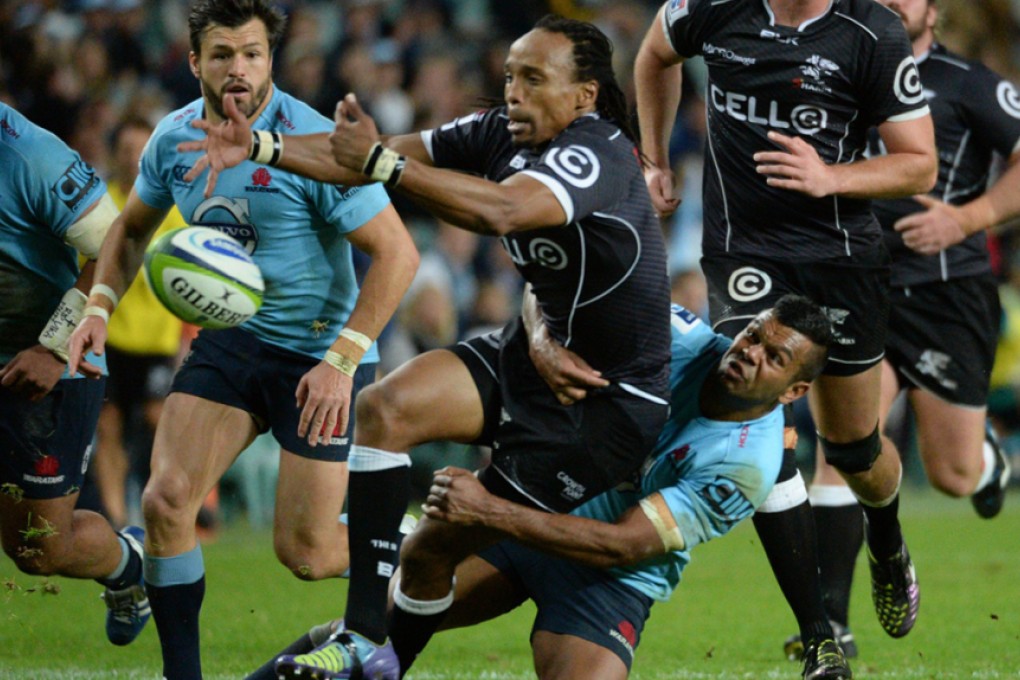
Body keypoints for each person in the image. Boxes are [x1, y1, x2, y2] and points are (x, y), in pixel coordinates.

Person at [183, 14, 673, 680]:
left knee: (434, 547)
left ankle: (387, 655)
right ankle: (360, 636)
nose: (513, 93)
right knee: (385, 407)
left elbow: (502, 210)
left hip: (600, 405)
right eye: (508, 76)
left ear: (585, 94)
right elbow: (356, 158)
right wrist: (263, 146)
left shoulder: (599, 151)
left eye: (533, 79)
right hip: (530, 356)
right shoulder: (497, 131)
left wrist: (383, 165)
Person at [66, 1, 419, 678]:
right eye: (223, 54)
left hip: (322, 352)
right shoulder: (172, 141)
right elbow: (132, 228)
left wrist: (342, 363)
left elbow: (397, 255)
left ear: (271, 61)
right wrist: (99, 307)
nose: (239, 69)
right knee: (166, 500)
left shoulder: (313, 142)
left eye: (253, 53)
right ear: (195, 61)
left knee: (307, 554)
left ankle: (406, 540)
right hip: (233, 343)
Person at [248, 295, 836, 680]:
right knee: (379, 621)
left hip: (609, 576)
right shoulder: (670, 334)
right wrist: (545, 350)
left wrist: (488, 511)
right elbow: (554, 296)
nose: (748, 353)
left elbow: (622, 547)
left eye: (772, 357)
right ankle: (356, 654)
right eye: (754, 335)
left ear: (793, 392)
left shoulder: (748, 465)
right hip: (540, 500)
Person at [634, 0, 937, 676]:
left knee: (857, 450)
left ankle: (885, 536)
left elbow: (919, 165)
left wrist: (832, 177)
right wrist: (655, 157)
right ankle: (821, 635)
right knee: (755, 408)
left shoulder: (872, 32)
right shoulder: (713, 7)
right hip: (745, 254)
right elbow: (654, 54)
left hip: (843, 261)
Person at [787, 0, 1020, 660]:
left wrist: (968, 218)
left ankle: (983, 463)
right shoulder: (841, 71)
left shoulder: (969, 82)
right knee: (846, 443)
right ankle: (830, 625)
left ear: (934, 11)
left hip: (947, 294)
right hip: (857, 287)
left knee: (950, 473)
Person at [0, 102, 150, 647]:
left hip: (46, 372)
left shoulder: (28, 155)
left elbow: (119, 245)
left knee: (40, 549)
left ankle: (128, 566)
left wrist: (53, 346)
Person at [93, 116, 188, 530]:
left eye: (141, 149)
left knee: (155, 422)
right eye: (126, 149)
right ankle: (116, 519)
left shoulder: (172, 209)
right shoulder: (99, 206)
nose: (133, 158)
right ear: (115, 153)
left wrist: (187, 336)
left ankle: (161, 506)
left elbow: (191, 279)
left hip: (157, 341)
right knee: (107, 427)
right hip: (110, 338)